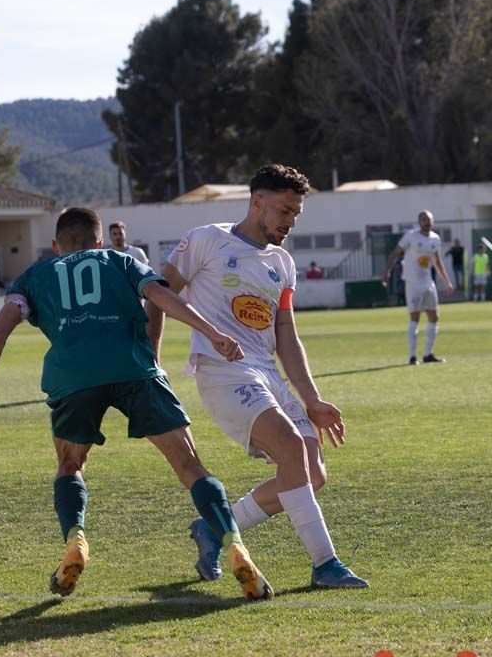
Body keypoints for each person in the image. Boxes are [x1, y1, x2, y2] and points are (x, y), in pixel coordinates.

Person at [0, 207, 272, 601]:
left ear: (55, 246)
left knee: (70, 466)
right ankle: (235, 546)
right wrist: (213, 333)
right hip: (135, 369)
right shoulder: (121, 260)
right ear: (99, 242)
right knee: (190, 466)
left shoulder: (34, 276)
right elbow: (161, 297)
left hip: (72, 377)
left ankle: (76, 541)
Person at [148, 164, 367, 590]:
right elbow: (157, 293)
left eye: (296, 213)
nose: (291, 222)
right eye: (285, 211)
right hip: (223, 370)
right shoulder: (206, 239)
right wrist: (152, 357)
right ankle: (326, 564)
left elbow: (286, 334)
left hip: (267, 371)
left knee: (311, 475)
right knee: (290, 450)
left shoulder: (283, 263)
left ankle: (214, 527)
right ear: (257, 203)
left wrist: (312, 399)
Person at [382, 211, 455, 363]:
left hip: (428, 282)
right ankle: (412, 356)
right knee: (415, 318)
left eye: (428, 219)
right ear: (419, 222)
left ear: (433, 221)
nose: (426, 222)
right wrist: (387, 271)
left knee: (434, 317)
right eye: (423, 219)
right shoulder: (411, 236)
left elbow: (437, 261)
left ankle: (428, 354)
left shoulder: (435, 238)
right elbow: (395, 253)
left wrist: (447, 281)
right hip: (413, 283)